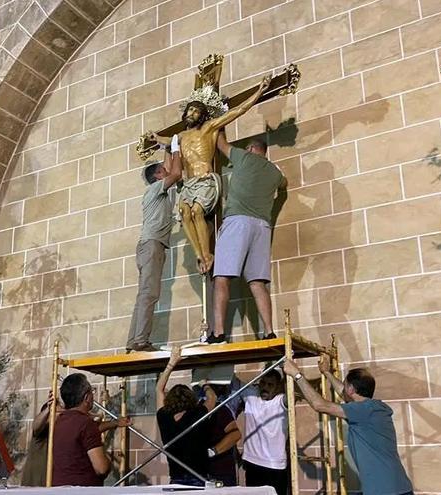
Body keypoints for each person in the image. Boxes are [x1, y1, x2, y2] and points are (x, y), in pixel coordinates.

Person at [148, 75, 272, 274]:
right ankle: (199, 254)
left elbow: (237, 111)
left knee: (197, 211)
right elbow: (162, 140)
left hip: (206, 179)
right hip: (189, 184)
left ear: (202, 115)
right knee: (183, 213)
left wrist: (259, 91)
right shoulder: (179, 137)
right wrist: (153, 138)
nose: (192, 113)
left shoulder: (209, 128)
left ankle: (207, 255)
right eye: (190, 109)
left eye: (197, 110)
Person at [283, 358, 414, 495]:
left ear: (351, 389)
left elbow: (319, 405)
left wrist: (296, 374)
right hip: (398, 488)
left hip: (385, 491)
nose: (343, 389)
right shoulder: (372, 408)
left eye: (346, 385)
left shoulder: (363, 410)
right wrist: (327, 373)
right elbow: (344, 393)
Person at [206, 132, 287, 344]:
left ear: (251, 149)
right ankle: (269, 331)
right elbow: (284, 183)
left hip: (238, 222)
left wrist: (219, 118)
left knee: (222, 277)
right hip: (262, 227)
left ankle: (218, 333)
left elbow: (219, 142)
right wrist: (273, 170)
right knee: (258, 282)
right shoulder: (273, 172)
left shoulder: (243, 157)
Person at [126, 140, 183, 352]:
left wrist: (167, 146)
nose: (166, 171)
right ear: (158, 176)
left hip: (150, 246)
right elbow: (176, 173)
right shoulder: (155, 189)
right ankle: (140, 341)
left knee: (145, 294)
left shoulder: (160, 190)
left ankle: (134, 340)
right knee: (149, 293)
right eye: (163, 171)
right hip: (151, 246)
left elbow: (169, 167)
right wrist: (177, 148)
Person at [49, 374, 132, 486]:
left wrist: (115, 423)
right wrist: (108, 459)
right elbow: (101, 468)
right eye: (92, 391)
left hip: (59, 488)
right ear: (86, 397)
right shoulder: (85, 423)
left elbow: (84, 432)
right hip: (83, 489)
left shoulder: (59, 422)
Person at [156, 347, 215, 486]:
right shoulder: (197, 413)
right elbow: (212, 398)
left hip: (176, 478)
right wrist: (204, 384)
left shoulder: (164, 416)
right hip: (198, 477)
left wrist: (171, 364)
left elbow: (159, 389)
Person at [229, 369, 289, 495]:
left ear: (277, 387)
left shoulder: (280, 401)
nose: (265, 388)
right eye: (263, 383)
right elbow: (233, 379)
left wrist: (288, 370)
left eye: (270, 385)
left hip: (275, 465)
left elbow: (291, 394)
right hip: (253, 463)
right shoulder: (252, 396)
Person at [198, 384, 241, 486]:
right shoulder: (196, 410)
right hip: (201, 471)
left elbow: (235, 434)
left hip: (221, 470)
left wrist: (212, 451)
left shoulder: (221, 410)